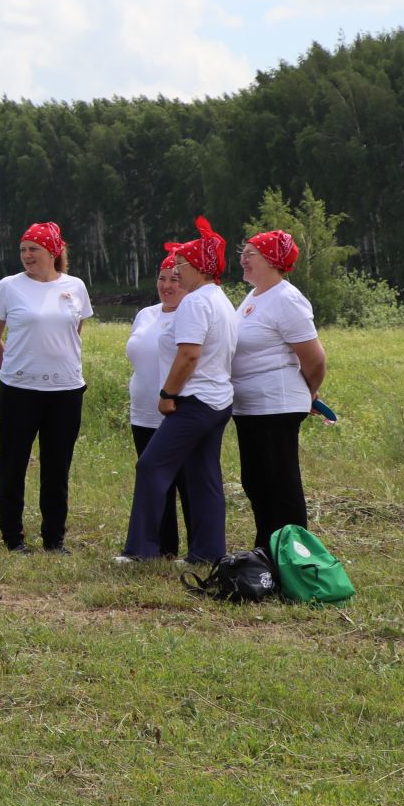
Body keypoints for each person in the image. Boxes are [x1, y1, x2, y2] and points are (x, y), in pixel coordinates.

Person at [119, 217, 238, 565]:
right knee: (204, 476)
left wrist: (168, 393)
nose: (178, 271)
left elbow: (189, 354)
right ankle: (207, 552)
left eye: (182, 265)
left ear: (199, 267)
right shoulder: (220, 300)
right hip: (218, 400)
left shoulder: (196, 303)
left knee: (152, 466)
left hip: (194, 401)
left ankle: (141, 549)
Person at [0, 221, 94, 553]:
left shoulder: (76, 286)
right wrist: (9, 368)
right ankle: (13, 538)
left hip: (66, 390)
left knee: (57, 466)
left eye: (35, 249)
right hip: (20, 391)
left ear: (54, 251)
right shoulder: (9, 286)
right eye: (23, 249)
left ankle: (54, 538)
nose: (27, 256)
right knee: (13, 463)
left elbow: (75, 331)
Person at [232, 229, 327, 548]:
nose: (243, 259)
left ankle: (294, 556)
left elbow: (315, 360)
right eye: (242, 253)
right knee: (256, 483)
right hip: (250, 407)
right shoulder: (256, 295)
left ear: (272, 260)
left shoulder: (287, 298)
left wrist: (309, 393)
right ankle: (267, 551)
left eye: (250, 254)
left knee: (281, 486)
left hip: (278, 406)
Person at [126, 256, 194, 558]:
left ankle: (199, 547)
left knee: (188, 483)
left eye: (175, 279)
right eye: (162, 278)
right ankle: (163, 547)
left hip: (176, 411)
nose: (166, 286)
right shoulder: (146, 314)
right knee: (154, 483)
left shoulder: (192, 314)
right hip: (142, 412)